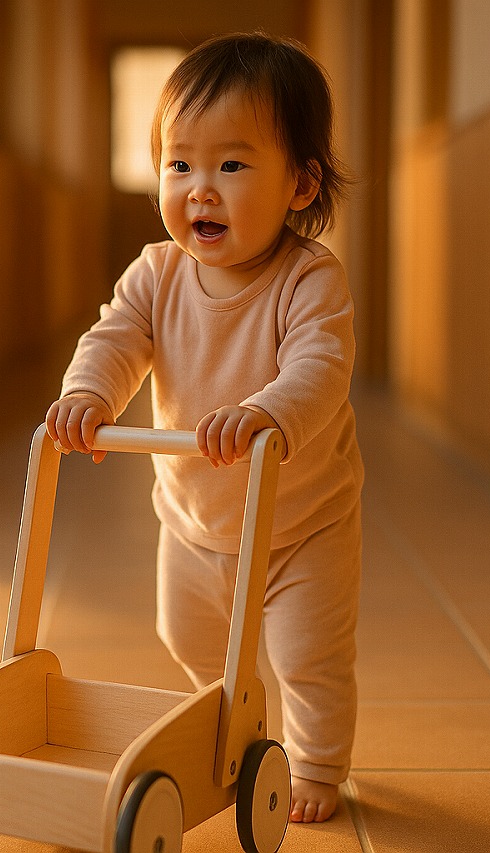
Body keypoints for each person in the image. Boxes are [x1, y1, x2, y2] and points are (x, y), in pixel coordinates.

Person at [46, 32, 363, 824]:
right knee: (187, 638)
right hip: (193, 521)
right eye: (179, 164)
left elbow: (319, 369)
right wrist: (90, 392)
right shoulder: (156, 273)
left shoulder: (309, 277)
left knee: (305, 657)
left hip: (302, 523)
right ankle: (227, 717)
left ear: (300, 183)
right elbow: (116, 336)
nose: (200, 190)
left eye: (231, 164)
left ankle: (318, 763)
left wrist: (267, 413)